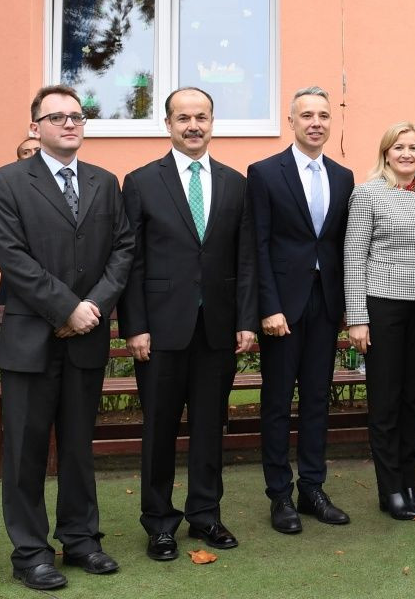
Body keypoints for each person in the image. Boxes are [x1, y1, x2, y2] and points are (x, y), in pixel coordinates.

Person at [0, 85, 134, 591]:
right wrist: (66, 306)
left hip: (87, 336)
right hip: (31, 338)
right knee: (26, 451)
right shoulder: (7, 181)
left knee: (78, 447)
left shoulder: (104, 182)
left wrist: (91, 307)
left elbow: (123, 249)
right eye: (57, 117)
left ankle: (81, 540)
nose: (69, 124)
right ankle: (30, 552)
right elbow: (12, 255)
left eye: (77, 116)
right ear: (36, 127)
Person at [119, 88, 258, 560]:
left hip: (217, 329)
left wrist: (246, 321)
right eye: (183, 118)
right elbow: (131, 262)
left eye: (201, 117)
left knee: (208, 427)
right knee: (158, 428)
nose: (193, 125)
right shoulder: (140, 182)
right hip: (159, 331)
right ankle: (159, 522)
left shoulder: (235, 183)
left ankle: (205, 515)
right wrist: (134, 326)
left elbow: (245, 260)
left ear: (213, 122)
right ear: (168, 124)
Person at [247, 87, 355, 534]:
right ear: (291, 121)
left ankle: (312, 487)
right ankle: (279, 495)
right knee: (276, 403)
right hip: (282, 309)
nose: (316, 122)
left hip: (325, 303)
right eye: (306, 115)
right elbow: (259, 245)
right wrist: (268, 307)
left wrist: (349, 307)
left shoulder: (343, 176)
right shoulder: (265, 173)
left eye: (323, 115)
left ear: (332, 122)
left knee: (315, 400)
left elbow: (341, 245)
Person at [344, 121, 415, 520]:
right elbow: (353, 256)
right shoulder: (368, 194)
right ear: (386, 153)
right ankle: (390, 490)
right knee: (386, 402)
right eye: (399, 147)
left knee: (413, 401)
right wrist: (357, 317)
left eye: (414, 148)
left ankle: (409, 481)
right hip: (383, 305)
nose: (407, 154)